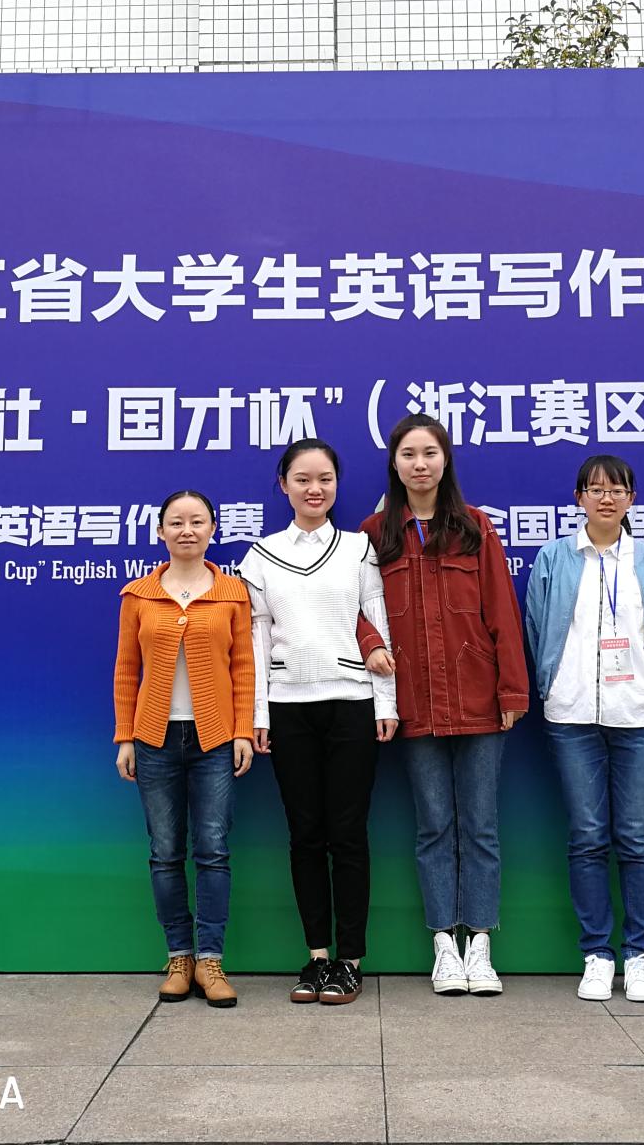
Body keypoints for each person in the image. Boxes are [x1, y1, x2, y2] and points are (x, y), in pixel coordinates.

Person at [362, 414, 528, 997]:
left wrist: (512, 691)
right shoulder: (375, 533)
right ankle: (443, 945)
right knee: (434, 827)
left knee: (480, 828)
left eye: (430, 453)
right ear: (394, 463)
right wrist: (372, 644)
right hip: (414, 702)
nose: (420, 464)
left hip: (479, 700)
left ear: (445, 460)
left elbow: (501, 611)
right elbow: (354, 608)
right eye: (409, 454)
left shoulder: (474, 526)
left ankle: (479, 944)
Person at [240, 439, 398, 1006]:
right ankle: (316, 957)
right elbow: (257, 642)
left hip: (352, 703)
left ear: (336, 484)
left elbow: (377, 623)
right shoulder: (260, 556)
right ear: (283, 485)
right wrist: (259, 714)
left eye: (325, 479)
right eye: (303, 479)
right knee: (305, 835)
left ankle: (350, 961)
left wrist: (385, 703)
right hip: (288, 708)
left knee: (348, 834)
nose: (315, 489)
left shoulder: (358, 548)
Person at [524, 453, 644, 1004]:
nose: (606, 498)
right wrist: (550, 686)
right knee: (587, 837)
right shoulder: (554, 558)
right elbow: (536, 625)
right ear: (579, 498)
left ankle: (639, 955)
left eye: (617, 489)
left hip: (637, 713)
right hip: (572, 715)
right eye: (595, 489)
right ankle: (596, 954)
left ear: (632, 498)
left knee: (636, 837)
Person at [112, 489, 255, 1007]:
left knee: (213, 849)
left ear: (213, 529)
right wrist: (125, 736)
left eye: (197, 521)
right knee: (165, 851)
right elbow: (126, 669)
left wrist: (243, 730)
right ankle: (179, 956)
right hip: (154, 739)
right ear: (160, 531)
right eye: (176, 522)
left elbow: (244, 667)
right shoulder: (138, 595)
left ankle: (211, 960)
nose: (187, 530)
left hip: (214, 738)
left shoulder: (232, 593)